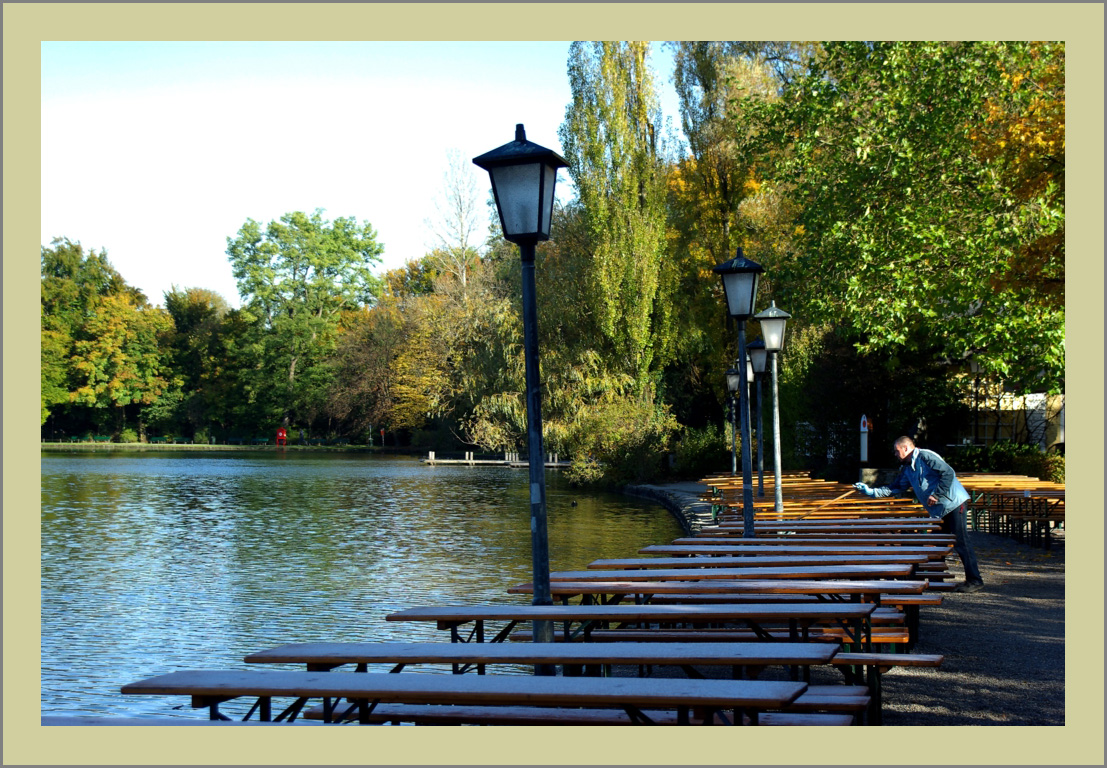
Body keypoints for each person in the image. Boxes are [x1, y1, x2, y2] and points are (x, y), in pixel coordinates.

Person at [854, 435, 984, 593]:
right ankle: (937, 579)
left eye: (896, 451)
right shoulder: (907, 468)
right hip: (939, 510)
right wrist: (871, 492)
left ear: (906, 448)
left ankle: (975, 580)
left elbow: (948, 473)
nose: (895, 454)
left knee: (961, 542)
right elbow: (895, 488)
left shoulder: (925, 456)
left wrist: (937, 494)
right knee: (938, 544)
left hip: (954, 503)